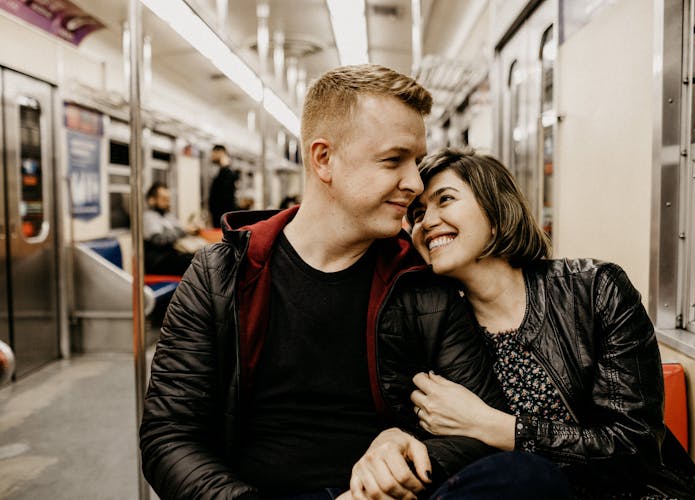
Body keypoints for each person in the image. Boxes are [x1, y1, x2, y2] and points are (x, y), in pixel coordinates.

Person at [140, 65, 569, 500]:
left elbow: (478, 423)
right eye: (392, 160)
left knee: (527, 477)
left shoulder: (419, 281)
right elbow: (169, 435)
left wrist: (407, 456)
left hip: (388, 495)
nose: (415, 183)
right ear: (323, 159)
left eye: (416, 162)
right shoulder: (221, 276)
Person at [406, 148, 695, 499]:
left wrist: (492, 426)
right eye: (416, 214)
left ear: (496, 211)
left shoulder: (595, 289)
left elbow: (634, 449)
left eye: (444, 200)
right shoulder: (437, 329)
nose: (426, 222)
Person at [143, 181, 199, 276]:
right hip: (157, 262)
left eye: (168, 199)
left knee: (200, 257)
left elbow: (179, 229)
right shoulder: (149, 217)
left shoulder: (166, 215)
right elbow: (159, 240)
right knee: (194, 263)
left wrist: (192, 229)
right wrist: (183, 231)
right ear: (152, 200)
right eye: (164, 199)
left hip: (170, 257)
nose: (167, 202)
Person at [209, 144, 239, 227]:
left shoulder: (227, 173)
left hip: (223, 218)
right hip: (219, 217)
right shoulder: (221, 172)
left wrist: (225, 167)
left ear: (221, 153)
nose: (211, 156)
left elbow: (225, 195)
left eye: (213, 153)